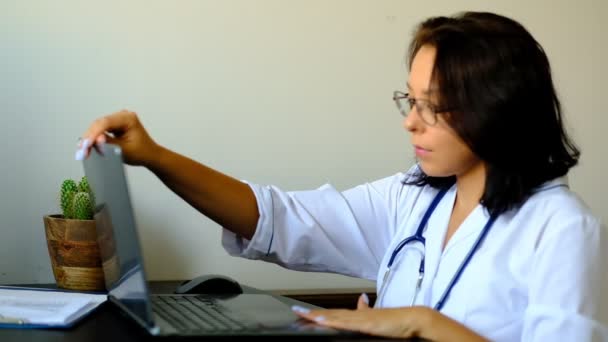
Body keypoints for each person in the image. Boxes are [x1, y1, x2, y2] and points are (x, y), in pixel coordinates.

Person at [75, 11, 607, 341]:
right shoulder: (417, 198)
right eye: (411, 99)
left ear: (497, 109)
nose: (409, 120)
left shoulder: (559, 229)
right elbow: (279, 219)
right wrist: (156, 156)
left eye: (434, 107)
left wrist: (423, 323)